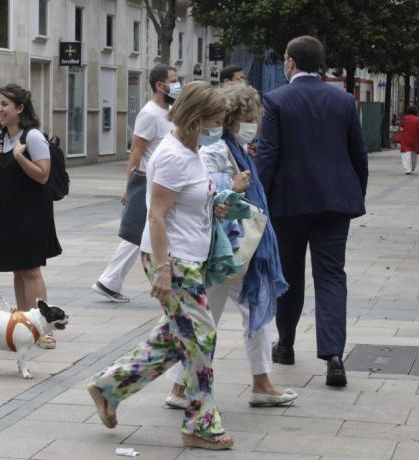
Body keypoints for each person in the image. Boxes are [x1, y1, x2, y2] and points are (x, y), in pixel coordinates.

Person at [88, 81, 234, 450]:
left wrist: (212, 206)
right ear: (198, 118)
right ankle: (200, 423)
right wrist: (164, 269)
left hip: (188, 256)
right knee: (202, 337)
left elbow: (187, 200)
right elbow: (156, 216)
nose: (220, 126)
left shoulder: (191, 149)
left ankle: (109, 386)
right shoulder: (171, 155)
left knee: (175, 337)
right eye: (216, 119)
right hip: (173, 258)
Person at [164, 84, 296, 409]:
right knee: (210, 319)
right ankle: (185, 390)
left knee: (231, 316)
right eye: (251, 118)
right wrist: (231, 186)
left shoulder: (233, 147)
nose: (256, 125)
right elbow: (201, 189)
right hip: (224, 249)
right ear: (234, 119)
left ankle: (191, 389)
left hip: (231, 248)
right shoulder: (217, 149)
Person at [256, 36, 368, 388]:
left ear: (289, 62)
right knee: (332, 275)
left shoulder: (276, 100)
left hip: (289, 204)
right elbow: (358, 154)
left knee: (288, 272)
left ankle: (286, 344)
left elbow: (268, 156)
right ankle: (334, 356)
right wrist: (354, 195)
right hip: (335, 203)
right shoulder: (343, 100)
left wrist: (259, 201)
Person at [0, 83, 62, 349]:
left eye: (5, 104)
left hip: (31, 213)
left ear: (20, 108)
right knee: (17, 270)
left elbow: (43, 175)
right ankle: (25, 324)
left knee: (31, 270)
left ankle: (45, 328)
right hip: (6, 213)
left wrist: (19, 158)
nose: (0, 109)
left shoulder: (33, 137)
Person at [91, 64, 178, 302]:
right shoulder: (149, 114)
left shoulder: (169, 111)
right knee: (138, 234)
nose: (178, 84)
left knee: (140, 234)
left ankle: (110, 281)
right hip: (147, 184)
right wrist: (129, 187)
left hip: (159, 183)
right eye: (174, 80)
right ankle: (109, 280)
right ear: (160, 86)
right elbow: (136, 151)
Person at [399, 105, 419, 174]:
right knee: (414, 153)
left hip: (406, 138)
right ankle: (412, 166)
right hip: (414, 138)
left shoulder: (404, 118)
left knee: (406, 153)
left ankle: (407, 169)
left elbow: (401, 127)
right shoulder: (417, 119)